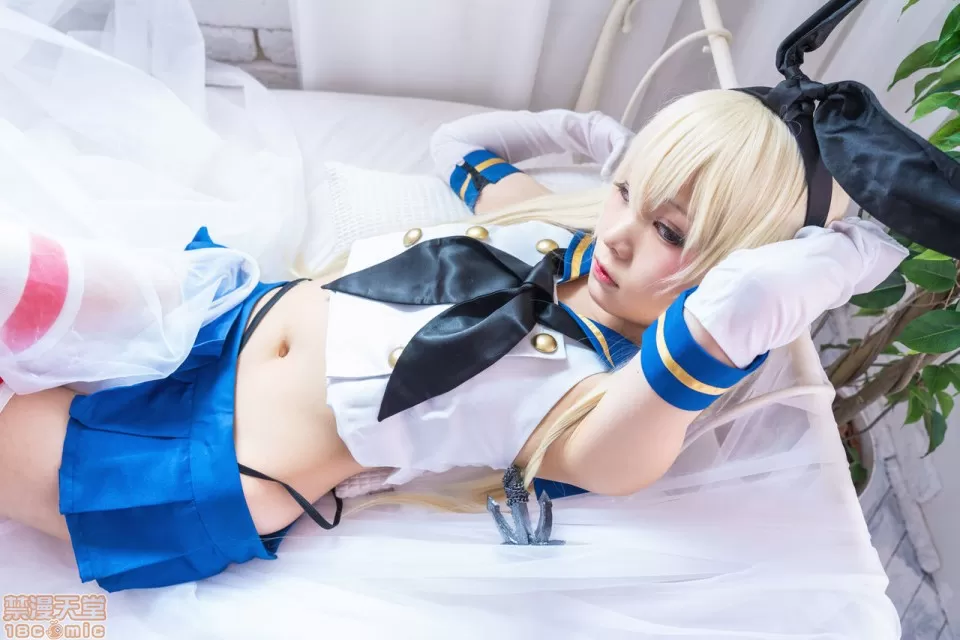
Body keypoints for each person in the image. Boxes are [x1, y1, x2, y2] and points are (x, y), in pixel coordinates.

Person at [0, 78, 908, 592]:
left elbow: (732, 315)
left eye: (671, 231)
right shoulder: (567, 231)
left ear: (739, 267)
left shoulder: (614, 415)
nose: (622, 234)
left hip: (200, 460)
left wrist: (846, 255)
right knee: (24, 277)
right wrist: (594, 139)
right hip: (219, 315)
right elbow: (459, 147)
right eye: (628, 192)